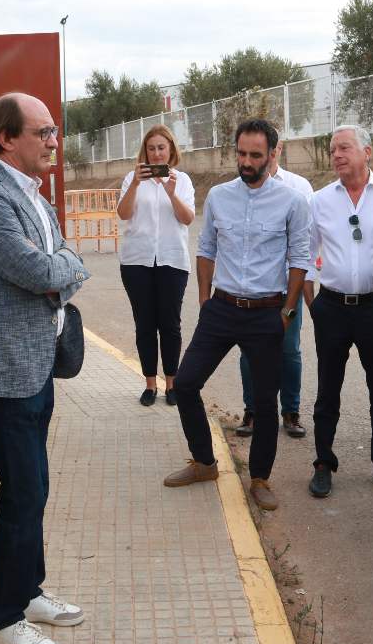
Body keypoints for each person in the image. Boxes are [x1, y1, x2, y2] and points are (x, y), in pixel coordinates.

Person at [0, 93, 90, 644]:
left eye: (54, 131)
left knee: (36, 486)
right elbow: (39, 270)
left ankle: (28, 591)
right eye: (44, 132)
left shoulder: (33, 197)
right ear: (7, 138)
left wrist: (61, 268)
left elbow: (63, 257)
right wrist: (61, 269)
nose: (54, 141)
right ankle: (3, 617)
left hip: (36, 363)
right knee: (24, 489)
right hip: (4, 372)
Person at [164, 119, 311, 512]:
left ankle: (260, 478)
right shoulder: (218, 196)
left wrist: (287, 310)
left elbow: (299, 258)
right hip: (222, 309)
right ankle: (204, 463)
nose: (246, 162)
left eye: (255, 155)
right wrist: (204, 300)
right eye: (241, 153)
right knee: (187, 382)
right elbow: (207, 248)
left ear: (273, 154)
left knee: (265, 402)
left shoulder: (292, 201)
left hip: (267, 314)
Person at [307, 124, 373, 498]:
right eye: (333, 148)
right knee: (328, 388)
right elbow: (306, 253)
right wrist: (312, 303)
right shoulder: (319, 200)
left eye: (344, 148)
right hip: (332, 307)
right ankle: (323, 462)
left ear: (367, 152)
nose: (336, 155)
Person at [236, 138, 314, 439]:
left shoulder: (299, 188)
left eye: (265, 149)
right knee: (249, 353)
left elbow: (306, 243)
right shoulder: (240, 189)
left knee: (289, 350)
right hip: (254, 290)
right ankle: (252, 411)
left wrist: (303, 290)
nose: (253, 158)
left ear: (276, 150)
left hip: (287, 287)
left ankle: (291, 412)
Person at [116, 125, 195, 406]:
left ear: (171, 150)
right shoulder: (131, 179)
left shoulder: (182, 180)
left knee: (170, 324)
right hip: (137, 261)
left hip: (172, 260)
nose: (157, 153)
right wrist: (136, 183)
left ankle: (171, 384)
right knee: (145, 324)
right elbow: (124, 214)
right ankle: (150, 384)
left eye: (162, 147)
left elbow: (187, 219)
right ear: (145, 153)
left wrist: (172, 193)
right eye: (152, 148)